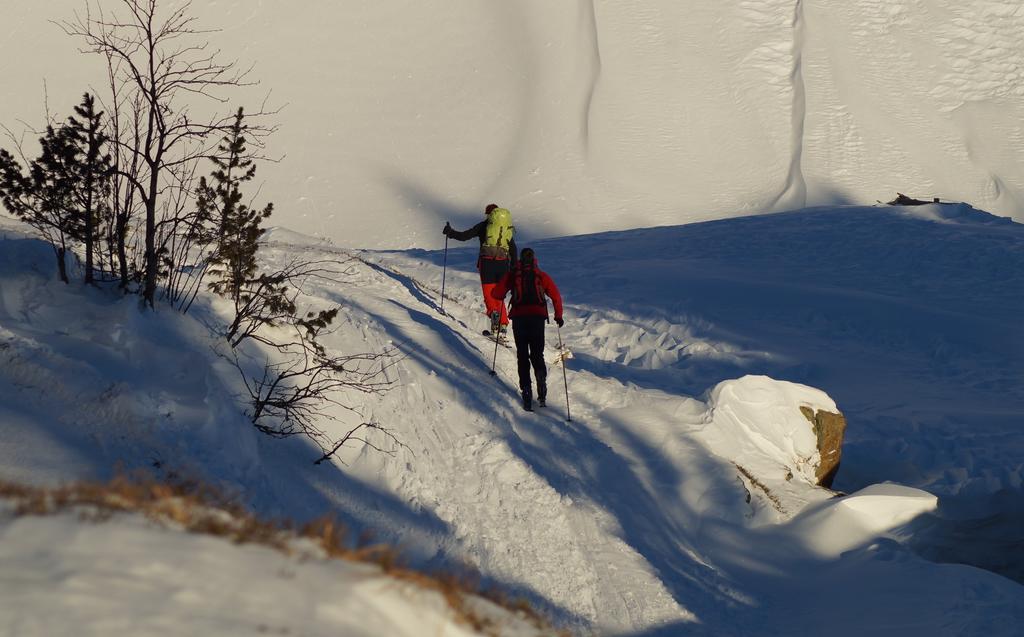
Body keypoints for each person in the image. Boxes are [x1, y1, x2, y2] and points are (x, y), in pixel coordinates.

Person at [491, 247, 564, 411]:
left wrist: (504, 287)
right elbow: (556, 296)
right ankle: (541, 382)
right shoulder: (541, 275)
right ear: (534, 259)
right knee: (537, 354)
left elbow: (496, 294)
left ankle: (526, 392)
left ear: (520, 260)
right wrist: (558, 316)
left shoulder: (513, 274)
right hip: (537, 319)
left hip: (519, 319)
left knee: (522, 356)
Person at [443, 204, 518, 336]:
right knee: (499, 295)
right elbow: (513, 250)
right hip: (503, 265)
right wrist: (513, 267)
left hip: (487, 263)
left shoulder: (484, 226)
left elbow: (464, 236)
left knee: (489, 294)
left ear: (488, 214)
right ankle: (503, 325)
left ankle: (493, 315)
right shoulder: (506, 229)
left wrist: (450, 232)